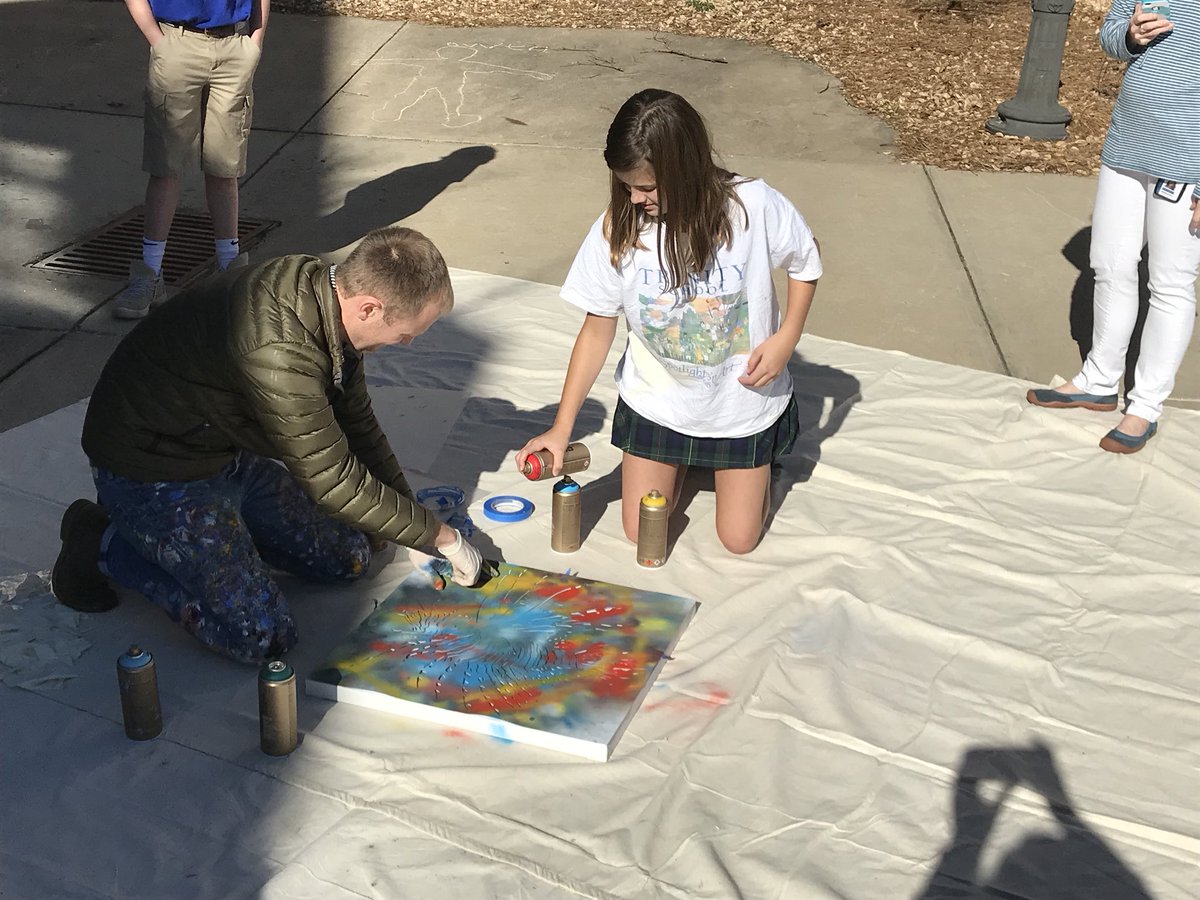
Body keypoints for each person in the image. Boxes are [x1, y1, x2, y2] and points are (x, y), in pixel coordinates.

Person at [52, 226, 484, 664]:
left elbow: (358, 425)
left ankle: (212, 546)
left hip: (219, 449)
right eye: (406, 335)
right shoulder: (278, 344)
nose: (406, 345)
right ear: (370, 307)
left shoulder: (328, 301)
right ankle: (103, 542)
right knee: (263, 636)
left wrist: (408, 521)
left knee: (351, 556)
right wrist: (441, 536)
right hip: (151, 467)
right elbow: (331, 481)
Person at [517, 89, 822, 555]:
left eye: (646, 187)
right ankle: (682, 459)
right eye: (626, 185)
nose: (635, 198)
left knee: (739, 541)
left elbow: (805, 260)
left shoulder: (753, 206)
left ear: (686, 170)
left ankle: (730, 465)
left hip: (738, 405)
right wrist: (562, 428)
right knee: (643, 532)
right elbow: (596, 330)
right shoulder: (618, 228)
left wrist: (788, 336)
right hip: (658, 402)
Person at [1027, 1, 1200, 453]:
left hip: (1187, 165)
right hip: (1127, 148)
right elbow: (1109, 39)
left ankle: (1145, 406)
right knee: (1109, 264)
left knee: (1170, 284)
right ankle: (1099, 381)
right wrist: (1130, 35)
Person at [112, 0, 269, 319]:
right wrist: (158, 40)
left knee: (224, 166)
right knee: (166, 166)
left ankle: (229, 273)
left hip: (233, 46)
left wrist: (255, 42)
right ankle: (149, 275)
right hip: (176, 43)